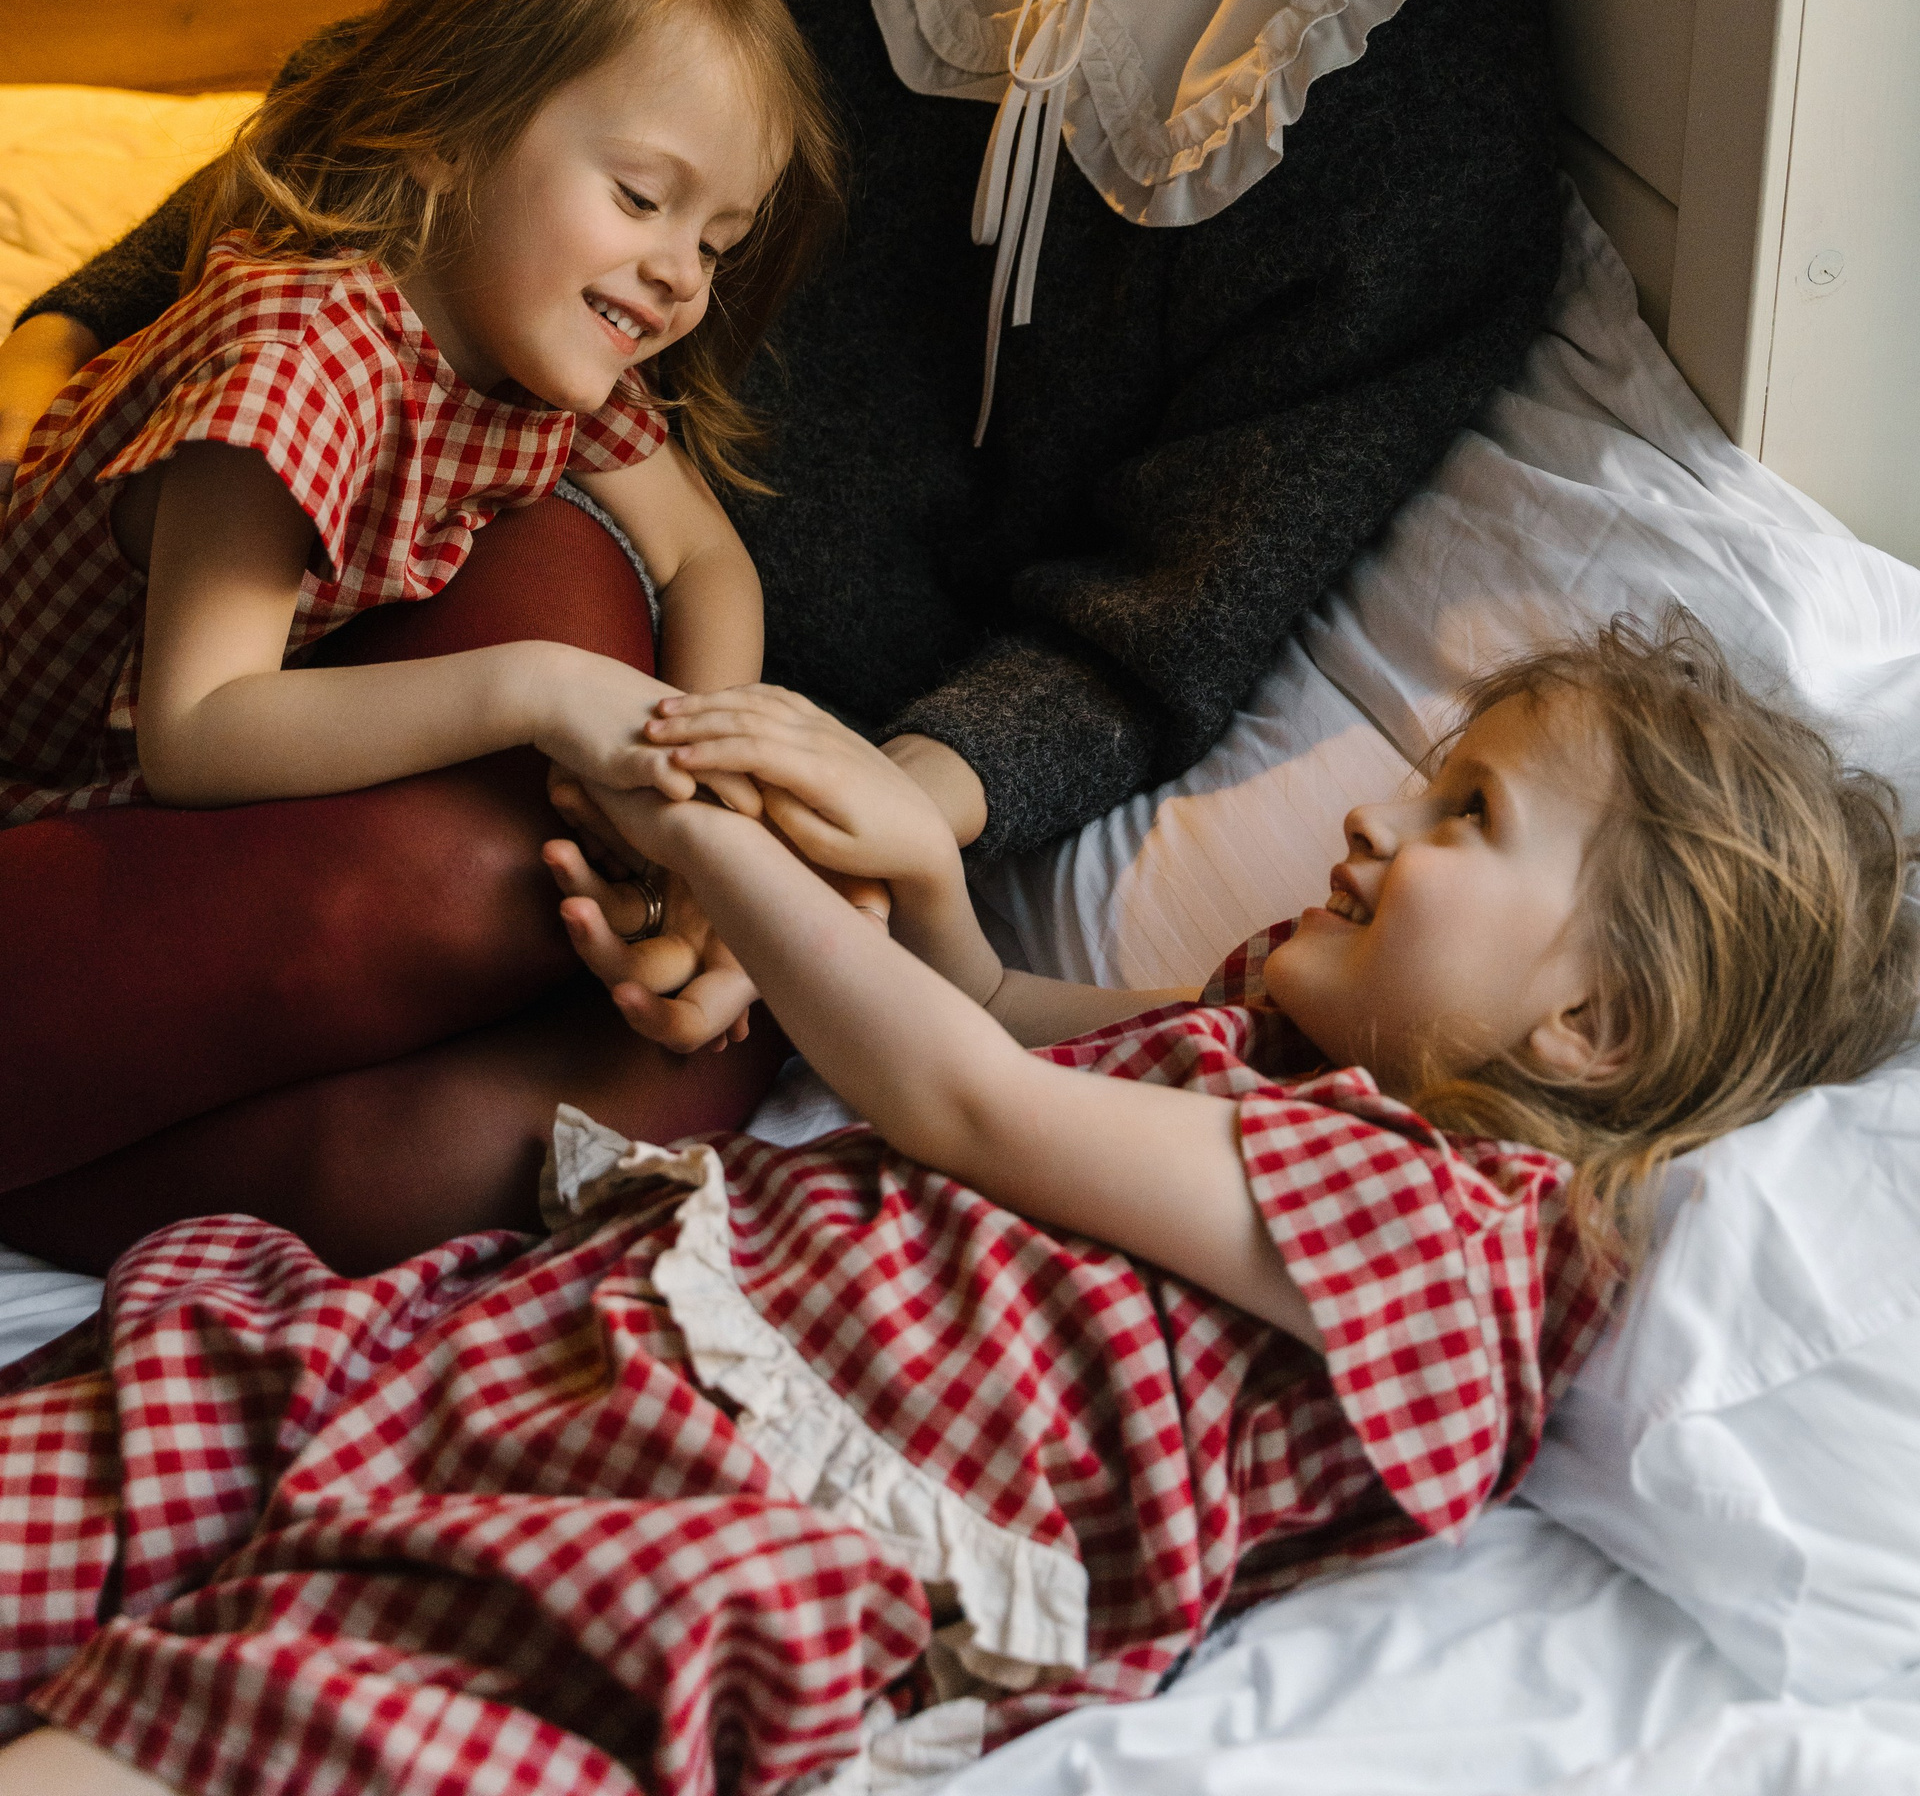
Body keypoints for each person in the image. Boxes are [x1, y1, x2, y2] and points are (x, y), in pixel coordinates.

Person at [0, 0, 1562, 1258]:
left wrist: (849, 824)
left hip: (807, 737)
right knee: (472, 886)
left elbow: (1164, 620)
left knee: (606, 1124)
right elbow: (438, 75)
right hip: (538, 526)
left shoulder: (1421, 76)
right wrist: (78, 317)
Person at [1, 618, 1913, 1796]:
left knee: (328, 1704)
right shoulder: (1260, 1046)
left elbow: (967, 1099)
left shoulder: (1446, 1237)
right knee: (171, 1410)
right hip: (589, 1337)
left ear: (1593, 1027)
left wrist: (702, 840)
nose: (1373, 822)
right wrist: (919, 884)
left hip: (766, 1500)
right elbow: (997, 1015)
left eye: (1463, 819)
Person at [0, 0, 843, 1266]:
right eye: (642, 198)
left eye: (716, 243)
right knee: (501, 967)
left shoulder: (533, 347)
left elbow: (708, 562)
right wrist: (543, 689)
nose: (678, 276)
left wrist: (704, 790)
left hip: (179, 793)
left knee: (722, 1030)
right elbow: (197, 733)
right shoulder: (303, 354)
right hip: (54, 792)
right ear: (452, 134)